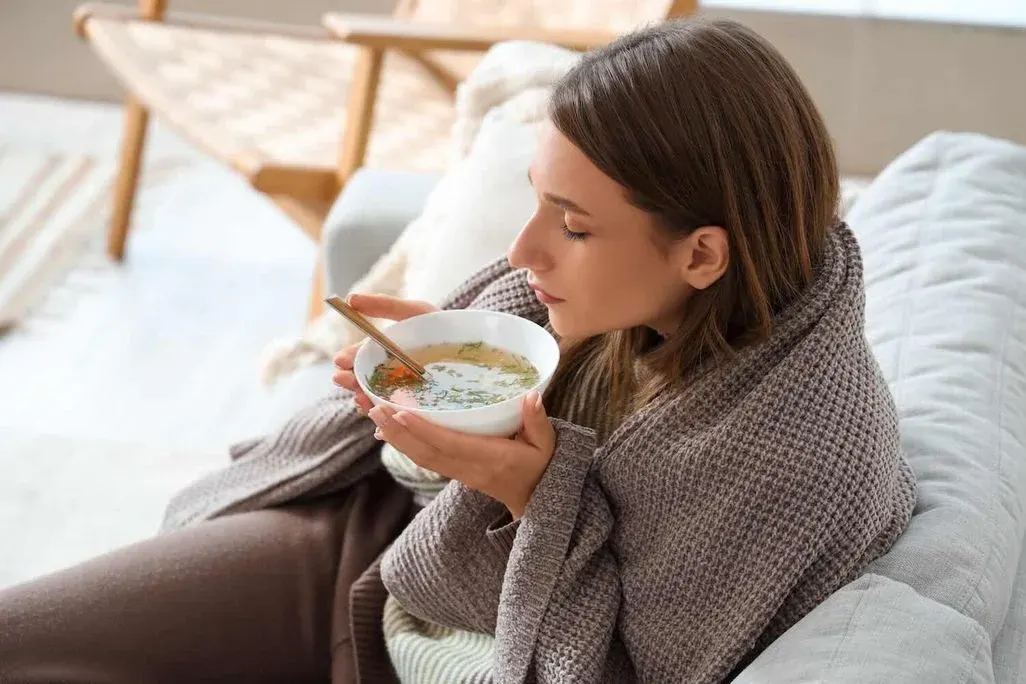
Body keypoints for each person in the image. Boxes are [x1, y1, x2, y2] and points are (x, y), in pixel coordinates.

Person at [0, 16, 916, 683]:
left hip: (461, 639)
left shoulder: (789, 457)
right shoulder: (602, 309)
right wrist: (435, 369)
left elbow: (632, 670)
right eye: (536, 199)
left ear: (703, 253)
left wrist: (532, 493)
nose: (523, 254)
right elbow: (428, 465)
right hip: (374, 549)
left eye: (574, 226)